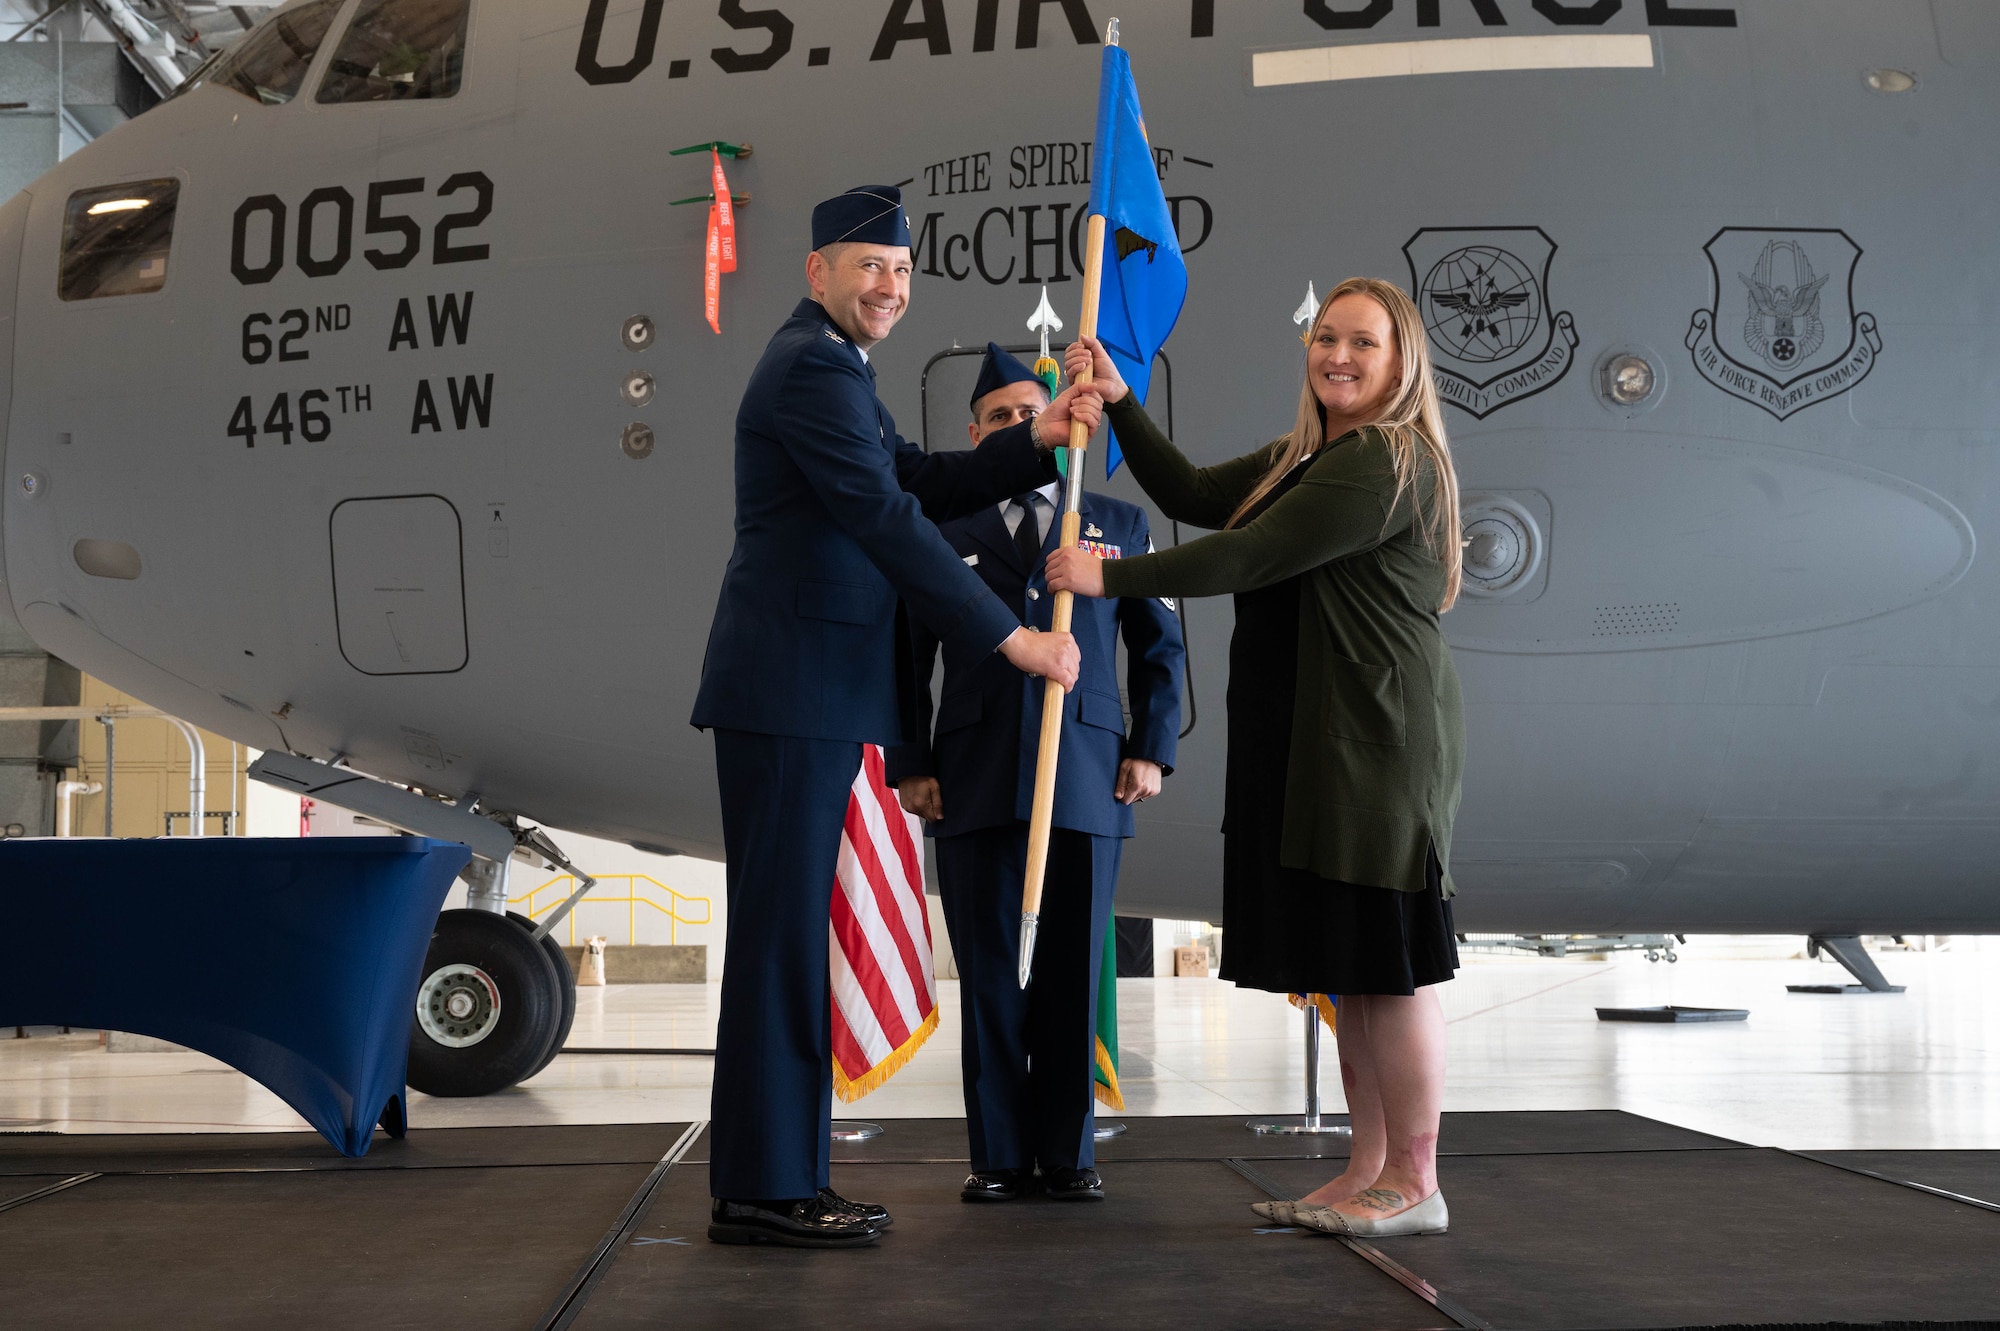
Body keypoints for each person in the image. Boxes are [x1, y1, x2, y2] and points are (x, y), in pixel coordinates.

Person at [690, 187, 1103, 1249]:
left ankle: (776, 1175)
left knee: (788, 936)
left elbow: (913, 478)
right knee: (782, 939)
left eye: (903, 272)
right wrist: (1004, 638)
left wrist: (1037, 438)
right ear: (817, 269)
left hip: (808, 688)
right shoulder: (811, 367)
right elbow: (886, 519)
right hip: (792, 688)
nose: (889, 287)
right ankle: (767, 1184)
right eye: (868, 265)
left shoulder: (834, 367)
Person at [1046, 278, 1466, 1239]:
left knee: (1390, 967)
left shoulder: (1386, 461)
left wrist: (1106, 576)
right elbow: (1194, 494)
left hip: (1377, 748)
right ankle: (1368, 1168)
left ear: (1400, 363)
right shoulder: (1310, 456)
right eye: (1327, 337)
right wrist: (1120, 401)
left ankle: (1415, 1176)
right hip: (1322, 743)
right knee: (1350, 967)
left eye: (1364, 342)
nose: (1340, 356)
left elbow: (1248, 556)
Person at [885, 344, 1184, 1205]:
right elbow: (907, 660)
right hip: (972, 776)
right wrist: (911, 764)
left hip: (1087, 776)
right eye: (1001, 419)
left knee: (1065, 973)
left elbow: (1160, 646)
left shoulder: (1116, 525)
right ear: (976, 436)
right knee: (988, 978)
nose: (1020, 426)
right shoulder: (940, 533)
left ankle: (1066, 1153)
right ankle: (1001, 1156)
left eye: (1031, 411)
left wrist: (1150, 748)